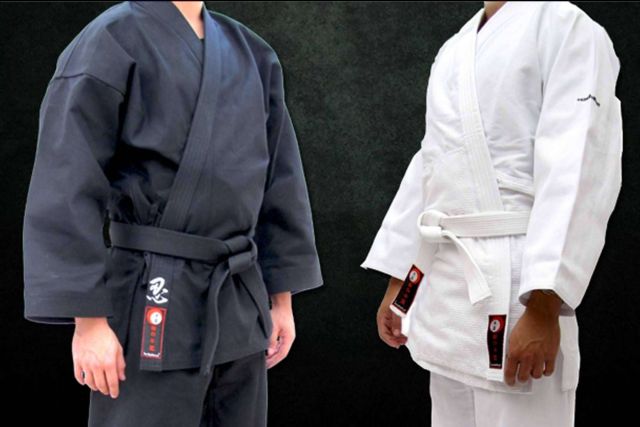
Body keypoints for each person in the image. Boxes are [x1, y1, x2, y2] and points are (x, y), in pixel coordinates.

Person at [22, 1, 323, 426]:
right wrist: (88, 322)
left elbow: (280, 179)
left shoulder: (252, 52)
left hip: (237, 299)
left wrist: (281, 297)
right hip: (152, 291)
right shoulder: (110, 40)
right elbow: (66, 181)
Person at [361, 1, 622, 426]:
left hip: (520, 291)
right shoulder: (454, 48)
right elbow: (432, 165)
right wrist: (402, 283)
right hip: (450, 296)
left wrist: (545, 303)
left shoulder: (567, 26)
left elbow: (578, 164)